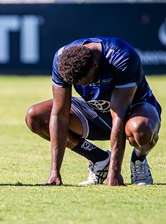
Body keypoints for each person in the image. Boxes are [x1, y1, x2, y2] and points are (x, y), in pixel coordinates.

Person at [25, 37, 161, 186]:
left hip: (133, 111)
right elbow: (59, 114)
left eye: (86, 81)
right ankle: (99, 159)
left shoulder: (121, 56)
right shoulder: (61, 59)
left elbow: (118, 115)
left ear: (95, 65)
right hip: (94, 110)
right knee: (35, 116)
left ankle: (139, 159)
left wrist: (114, 173)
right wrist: (54, 172)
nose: (85, 86)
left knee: (140, 129)